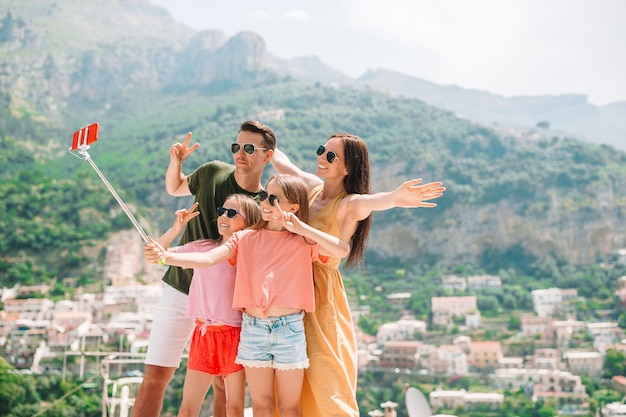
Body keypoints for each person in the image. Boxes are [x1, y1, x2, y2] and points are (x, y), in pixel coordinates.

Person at [144, 174, 351, 417]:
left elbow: (342, 249)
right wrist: (166, 256)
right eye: (264, 196)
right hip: (253, 329)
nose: (265, 202)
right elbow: (209, 259)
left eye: (273, 198)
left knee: (289, 407)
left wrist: (301, 227)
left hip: (290, 329)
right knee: (262, 406)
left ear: (293, 207)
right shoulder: (245, 238)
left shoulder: (303, 241)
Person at [270, 133, 446, 417]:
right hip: (289, 289)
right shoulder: (312, 188)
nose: (321, 158)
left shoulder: (348, 203)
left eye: (330, 156)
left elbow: (375, 201)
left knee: (324, 371)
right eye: (320, 151)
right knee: (288, 372)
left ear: (348, 167)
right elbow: (286, 166)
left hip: (320, 295)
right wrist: (264, 144)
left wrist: (395, 198)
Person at [131, 121, 277, 417]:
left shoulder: (264, 206)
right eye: (237, 146)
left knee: (224, 386)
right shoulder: (212, 172)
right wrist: (175, 164)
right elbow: (175, 187)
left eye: (250, 148)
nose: (240, 153)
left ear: (268, 156)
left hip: (225, 306)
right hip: (179, 288)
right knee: (155, 376)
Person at [146, 194, 262, 417]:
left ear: (248, 222)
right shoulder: (201, 247)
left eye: (231, 213)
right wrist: (175, 229)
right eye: (221, 211)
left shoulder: (241, 251)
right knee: (187, 410)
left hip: (233, 335)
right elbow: (157, 255)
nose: (223, 217)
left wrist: (164, 257)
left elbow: (206, 260)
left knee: (234, 408)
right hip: (202, 335)